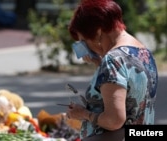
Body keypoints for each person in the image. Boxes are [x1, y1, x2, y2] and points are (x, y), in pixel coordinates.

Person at [66, 0, 158, 140]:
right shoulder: (144, 52)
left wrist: (83, 113)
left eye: (84, 41)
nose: (87, 48)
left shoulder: (113, 60)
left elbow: (114, 120)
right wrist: (99, 64)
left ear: (98, 32)